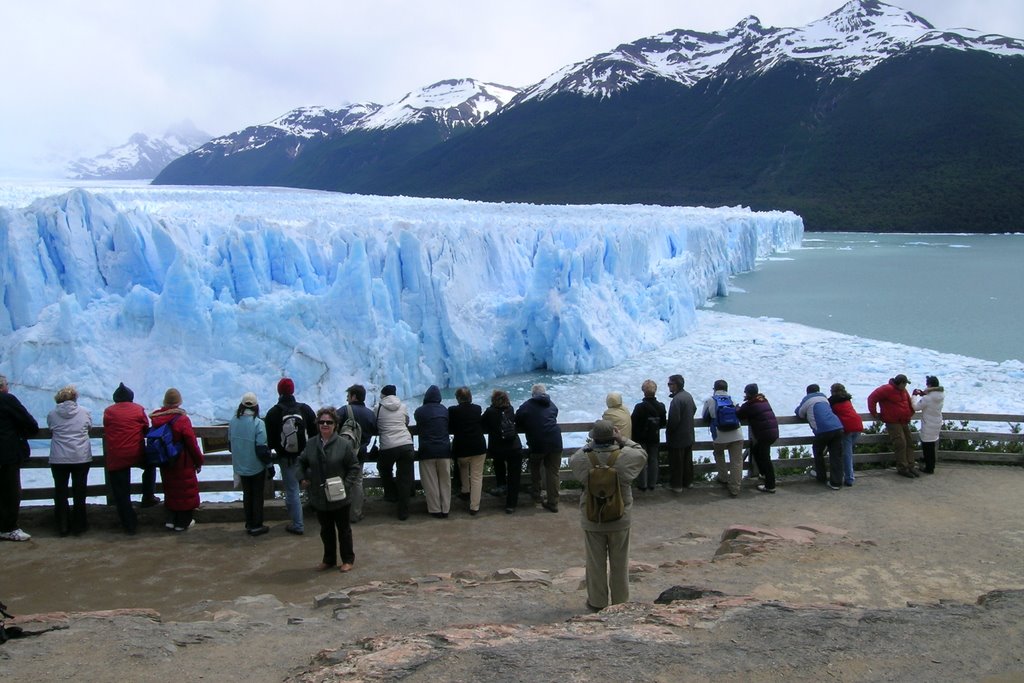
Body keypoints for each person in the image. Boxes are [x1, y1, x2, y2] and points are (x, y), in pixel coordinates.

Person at [568, 420, 647, 611]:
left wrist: (591, 444)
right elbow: (642, 453)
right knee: (620, 562)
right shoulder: (628, 456)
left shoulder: (582, 459)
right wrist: (622, 439)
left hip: (592, 517)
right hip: (620, 517)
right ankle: (620, 602)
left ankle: (597, 602)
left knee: (595, 563)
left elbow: (573, 458)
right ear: (614, 435)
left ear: (593, 437)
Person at [297, 406, 361, 572]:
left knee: (344, 530)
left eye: (329, 422)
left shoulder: (343, 445)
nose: (325, 424)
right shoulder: (311, 444)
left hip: (340, 496)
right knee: (326, 530)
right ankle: (329, 560)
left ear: (335, 425)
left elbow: (354, 466)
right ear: (318, 424)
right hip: (320, 496)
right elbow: (301, 462)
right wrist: (302, 477)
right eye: (322, 422)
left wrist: (346, 485)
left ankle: (348, 559)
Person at [264, 377, 317, 535]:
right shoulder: (305, 409)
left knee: (292, 490)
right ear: (293, 391)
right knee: (314, 484)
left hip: (286, 459)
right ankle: (320, 515)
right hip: (307, 456)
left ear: (279, 392)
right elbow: (315, 432)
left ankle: (298, 524)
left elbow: (270, 440)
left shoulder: (274, 412)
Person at [151, 388, 204, 531]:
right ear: (179, 402)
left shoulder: (157, 418)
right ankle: (183, 522)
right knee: (185, 490)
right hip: (182, 461)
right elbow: (191, 443)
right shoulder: (182, 419)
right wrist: (199, 460)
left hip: (165, 461)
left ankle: (170, 520)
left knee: (171, 489)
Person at [102, 382, 149, 534]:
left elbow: (107, 426)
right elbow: (146, 427)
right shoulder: (138, 409)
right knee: (151, 466)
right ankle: (148, 496)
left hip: (116, 455)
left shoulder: (108, 411)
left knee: (121, 490)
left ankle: (129, 524)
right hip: (136, 452)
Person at [47, 385, 93, 536]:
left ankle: (62, 525)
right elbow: (89, 427)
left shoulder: (52, 414)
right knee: (79, 491)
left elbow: (51, 428)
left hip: (59, 458)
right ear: (75, 398)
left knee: (60, 491)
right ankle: (80, 525)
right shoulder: (85, 412)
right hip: (81, 456)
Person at [0, 375, 39, 542]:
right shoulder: (6, 400)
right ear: (3, 387)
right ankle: (8, 528)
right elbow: (30, 424)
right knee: (10, 491)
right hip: (6, 454)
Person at [516, 384, 563, 513]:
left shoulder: (527, 406)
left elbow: (518, 418)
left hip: (537, 444)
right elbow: (554, 414)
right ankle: (553, 502)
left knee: (535, 467)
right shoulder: (552, 404)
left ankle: (536, 494)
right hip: (555, 442)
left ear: (533, 394)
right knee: (553, 472)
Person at [229, 392, 270, 536]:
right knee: (257, 495)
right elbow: (262, 449)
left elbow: (230, 445)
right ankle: (257, 525)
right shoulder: (258, 423)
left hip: (240, 466)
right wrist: (269, 465)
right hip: (256, 466)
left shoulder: (233, 421)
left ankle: (249, 522)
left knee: (247, 494)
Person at [375, 385, 415, 520]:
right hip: (406, 444)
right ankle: (403, 511)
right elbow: (406, 421)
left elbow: (375, 423)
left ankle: (391, 495)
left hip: (388, 446)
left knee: (383, 468)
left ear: (383, 395)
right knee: (404, 477)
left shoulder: (378, 408)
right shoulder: (403, 406)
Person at [867, 374, 918, 478]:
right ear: (900, 383)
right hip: (893, 422)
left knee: (909, 443)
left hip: (904, 421)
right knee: (900, 443)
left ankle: (911, 466)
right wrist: (874, 413)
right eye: (905, 384)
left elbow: (908, 402)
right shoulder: (886, 389)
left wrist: (910, 413)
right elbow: (872, 398)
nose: (906, 386)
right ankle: (903, 468)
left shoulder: (903, 391)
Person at [795, 384, 844, 490]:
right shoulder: (825, 398)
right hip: (838, 427)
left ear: (807, 392)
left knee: (818, 451)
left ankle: (821, 476)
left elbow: (800, 413)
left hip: (823, 430)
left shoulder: (807, 400)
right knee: (836, 455)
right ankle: (836, 483)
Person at [482, 389, 523, 513]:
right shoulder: (510, 409)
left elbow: (481, 422)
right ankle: (511, 505)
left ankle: (501, 487)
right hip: (514, 447)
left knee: (499, 467)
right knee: (514, 476)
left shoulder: (490, 412)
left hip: (498, 449)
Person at [702, 380, 745, 497]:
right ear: (726, 389)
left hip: (720, 436)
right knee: (736, 461)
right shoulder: (733, 400)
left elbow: (704, 416)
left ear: (714, 389)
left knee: (719, 454)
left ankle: (723, 477)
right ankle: (735, 488)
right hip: (737, 435)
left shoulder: (710, 400)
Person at [415, 385, 452, 518]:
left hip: (427, 451)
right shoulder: (445, 410)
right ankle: (446, 508)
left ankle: (435, 509)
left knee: (430, 482)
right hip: (444, 450)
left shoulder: (419, 411)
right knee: (445, 481)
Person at [735, 384, 780, 493]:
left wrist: (736, 407)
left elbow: (740, 414)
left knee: (765, 459)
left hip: (765, 435)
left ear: (748, 393)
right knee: (756, 451)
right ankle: (764, 475)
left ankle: (770, 485)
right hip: (773, 432)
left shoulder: (750, 405)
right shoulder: (763, 400)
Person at [449, 386, 486, 515]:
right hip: (478, 446)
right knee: (476, 476)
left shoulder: (452, 410)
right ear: (470, 397)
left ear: (458, 398)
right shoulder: (477, 409)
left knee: (463, 466)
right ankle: (474, 506)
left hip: (462, 448)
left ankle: (465, 491)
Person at [344, 384, 377, 523]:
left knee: (341, 481)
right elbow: (375, 430)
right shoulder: (370, 414)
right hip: (361, 453)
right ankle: (355, 513)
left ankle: (340, 512)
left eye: (348, 396)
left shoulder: (344, 411)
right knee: (357, 482)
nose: (347, 399)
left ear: (353, 396)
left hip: (344, 453)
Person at [630, 380, 666, 491]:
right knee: (653, 459)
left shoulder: (639, 407)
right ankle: (652, 484)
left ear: (643, 391)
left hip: (641, 437)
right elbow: (663, 423)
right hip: (654, 437)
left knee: (642, 460)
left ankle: (643, 484)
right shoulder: (661, 406)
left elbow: (633, 423)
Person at [829, 383, 865, 486]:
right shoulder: (847, 399)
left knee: (846, 454)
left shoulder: (833, 401)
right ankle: (846, 475)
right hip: (858, 425)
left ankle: (849, 478)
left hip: (848, 428)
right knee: (846, 452)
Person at [665, 374, 696, 492]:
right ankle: (688, 482)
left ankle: (677, 486)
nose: (669, 387)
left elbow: (673, 420)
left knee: (676, 462)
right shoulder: (688, 396)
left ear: (676, 385)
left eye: (670, 384)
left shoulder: (676, 400)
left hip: (678, 437)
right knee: (687, 461)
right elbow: (694, 409)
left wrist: (670, 432)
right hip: (688, 434)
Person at [913, 375, 945, 474]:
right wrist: (924, 393)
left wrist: (914, 396)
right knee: (931, 445)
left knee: (927, 447)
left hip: (928, 424)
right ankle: (931, 465)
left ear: (930, 385)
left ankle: (929, 468)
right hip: (937, 423)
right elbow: (932, 399)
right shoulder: (941, 395)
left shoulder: (927, 398)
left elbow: (915, 407)